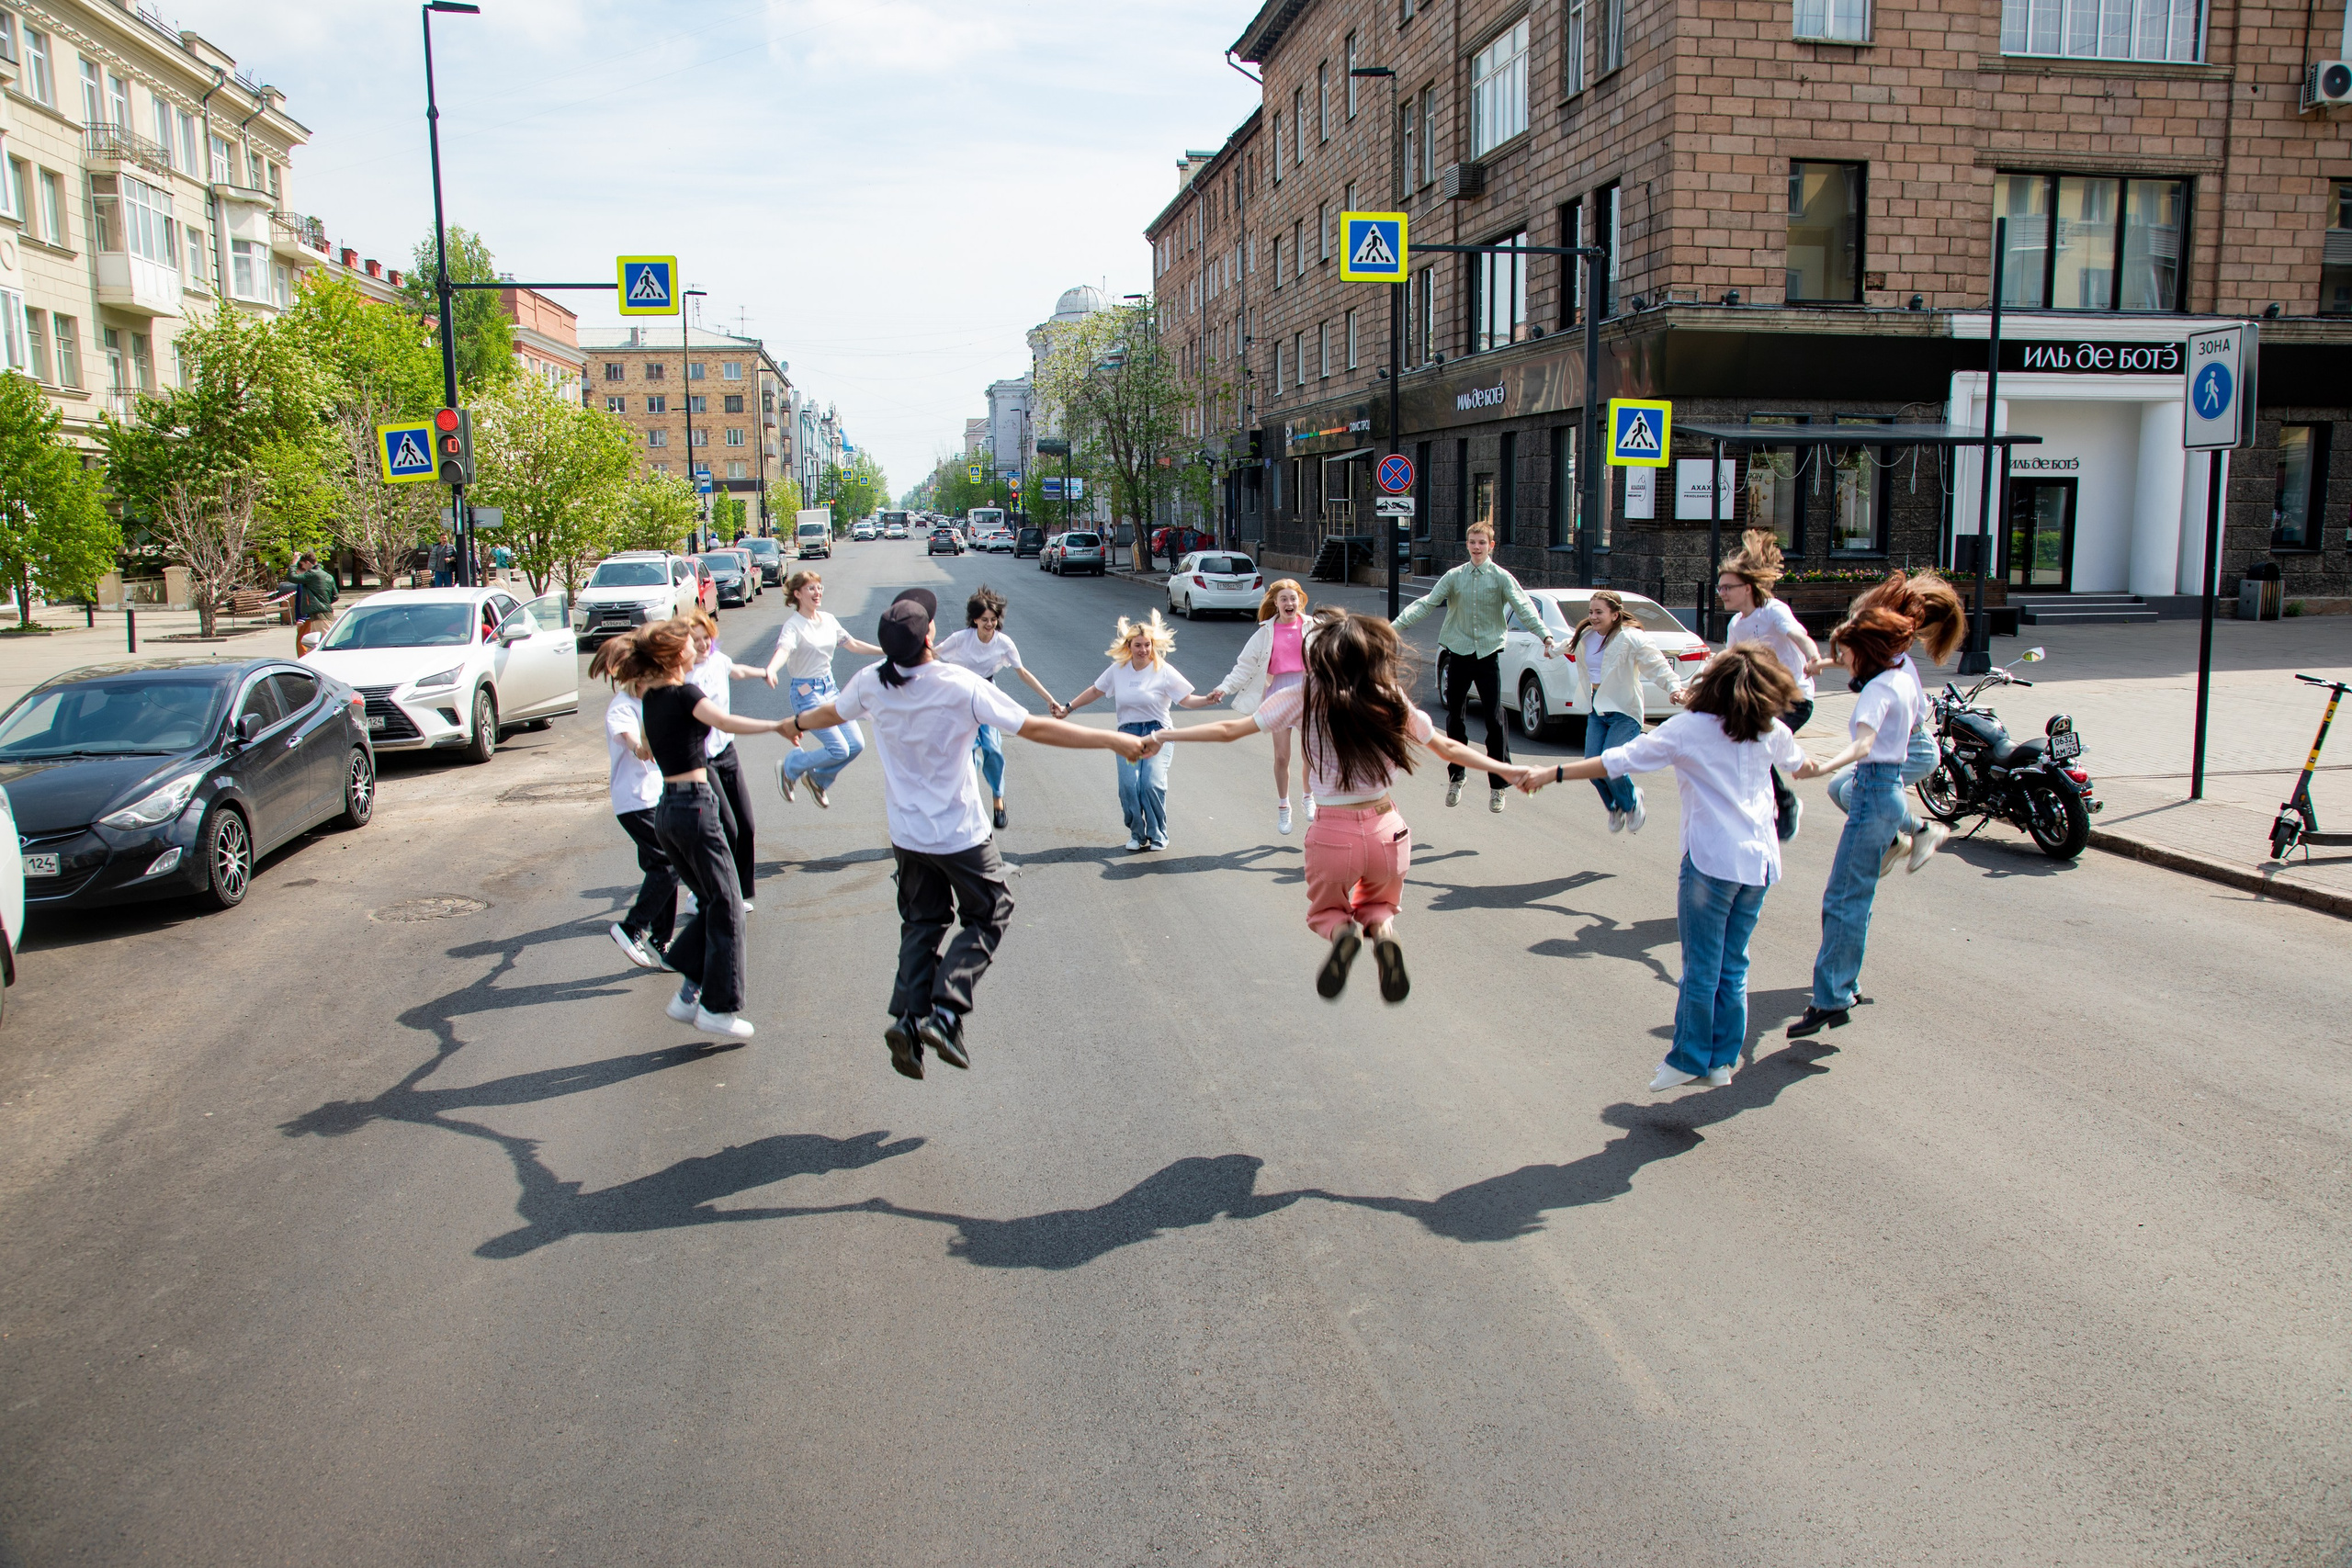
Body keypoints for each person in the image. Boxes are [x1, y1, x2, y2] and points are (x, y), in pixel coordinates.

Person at [780, 589, 1154, 1080]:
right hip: (959, 835)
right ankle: (947, 1011)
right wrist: (1114, 738)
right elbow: (1036, 729)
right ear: (930, 636)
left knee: (922, 923)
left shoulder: (871, 682)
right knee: (991, 910)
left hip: (906, 837)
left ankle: (907, 1019)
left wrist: (795, 722)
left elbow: (831, 712)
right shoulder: (959, 684)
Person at [1157, 609, 1533, 1001]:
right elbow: (1448, 746)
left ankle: (1342, 937)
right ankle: (1383, 935)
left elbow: (1228, 729)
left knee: (1327, 912)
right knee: (1379, 905)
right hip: (1389, 831)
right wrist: (1506, 769)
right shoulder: (1389, 697)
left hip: (1333, 832)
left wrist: (1166, 735)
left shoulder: (1301, 695)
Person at [1520, 646, 1828, 1090]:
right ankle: (1721, 1061)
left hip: (1711, 862)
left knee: (1702, 966)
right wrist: (1822, 763)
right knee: (1733, 965)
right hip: (1758, 865)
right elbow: (1802, 766)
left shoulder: (1689, 729)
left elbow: (1616, 761)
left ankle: (1688, 1058)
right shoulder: (1770, 729)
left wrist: (1553, 773)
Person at [1786, 571, 1966, 1040]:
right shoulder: (1901, 672)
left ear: (1866, 651)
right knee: (1856, 896)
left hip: (1873, 788)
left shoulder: (1878, 690)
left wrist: (1824, 766)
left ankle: (1830, 998)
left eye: (1844, 653)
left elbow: (1864, 744)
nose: (1839, 661)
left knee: (1843, 899)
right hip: (1885, 792)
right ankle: (1843, 986)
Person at [628, 620, 796, 1040]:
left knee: (711, 901)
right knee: (729, 904)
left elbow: (647, 749)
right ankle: (718, 1008)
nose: (699, 647)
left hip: (668, 810)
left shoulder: (651, 695)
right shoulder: (684, 692)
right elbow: (726, 722)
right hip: (694, 808)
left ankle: (689, 994)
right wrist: (777, 725)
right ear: (674, 655)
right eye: (690, 643)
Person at [1391, 520, 1555, 814]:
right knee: (1456, 716)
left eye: (1482, 543)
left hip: (1488, 655)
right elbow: (1427, 603)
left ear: (1491, 546)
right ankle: (1457, 776)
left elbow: (1524, 606)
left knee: (1494, 718)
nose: (1477, 547)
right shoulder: (1455, 576)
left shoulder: (1502, 577)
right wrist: (1394, 627)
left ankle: (1499, 785)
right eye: (1472, 543)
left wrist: (1545, 635)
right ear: (1467, 545)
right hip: (1459, 653)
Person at [1063, 610, 1218, 852]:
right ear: (1129, 646)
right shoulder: (1118, 670)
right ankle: (1137, 834)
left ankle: (1158, 834)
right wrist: (1069, 707)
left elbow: (1186, 699)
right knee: (1128, 786)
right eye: (1138, 645)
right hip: (1127, 733)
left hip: (1158, 733)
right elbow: (1095, 691)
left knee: (1151, 784)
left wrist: (1207, 700)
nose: (1143, 650)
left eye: (1147, 645)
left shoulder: (1163, 670)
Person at [1716, 529, 1823, 841]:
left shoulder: (1773, 610)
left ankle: (1786, 802)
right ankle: (1770, 804)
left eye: (1727, 587)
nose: (1721, 593)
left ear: (1747, 588)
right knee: (1744, 746)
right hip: (1762, 701)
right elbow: (1730, 660)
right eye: (1720, 587)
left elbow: (1799, 635)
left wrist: (1814, 656)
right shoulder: (1736, 624)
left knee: (1757, 744)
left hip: (1794, 699)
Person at [934, 585, 1067, 831]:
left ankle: (998, 799)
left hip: (986, 695)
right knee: (967, 755)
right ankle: (967, 807)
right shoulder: (960, 639)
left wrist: (1049, 699)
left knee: (993, 749)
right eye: (984, 620)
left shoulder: (1003, 643)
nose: (989, 625)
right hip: (960, 698)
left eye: (993, 620)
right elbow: (931, 655)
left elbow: (1023, 673)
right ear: (975, 619)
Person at [1566, 589, 1689, 835]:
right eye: (1591, 612)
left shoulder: (1632, 638)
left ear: (1614, 614)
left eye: (1599, 612)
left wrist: (1674, 688)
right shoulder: (1588, 635)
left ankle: (1632, 803)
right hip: (1598, 707)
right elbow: (1564, 645)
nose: (1593, 617)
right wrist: (1549, 647)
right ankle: (1615, 807)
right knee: (1592, 768)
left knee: (1613, 765)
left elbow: (1657, 665)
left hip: (1625, 710)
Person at [589, 630, 676, 972]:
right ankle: (631, 928)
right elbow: (634, 745)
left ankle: (660, 940)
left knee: (666, 866)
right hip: (635, 801)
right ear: (638, 677)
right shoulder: (622, 709)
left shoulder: (650, 701)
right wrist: (645, 743)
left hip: (657, 796)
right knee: (668, 864)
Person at [1209, 578, 1317, 835]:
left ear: (1300, 600)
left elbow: (1335, 656)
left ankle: (1308, 797)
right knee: (1282, 756)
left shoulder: (1314, 627)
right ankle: (1284, 807)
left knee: (1311, 753)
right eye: (1284, 599)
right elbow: (1244, 666)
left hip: (1308, 692)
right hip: (1279, 692)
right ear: (1276, 603)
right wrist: (1224, 687)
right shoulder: (1265, 632)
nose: (1289, 603)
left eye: (1293, 598)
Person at [767, 571, 883, 807]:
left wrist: (886, 651)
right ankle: (791, 766)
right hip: (806, 695)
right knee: (839, 749)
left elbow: (852, 644)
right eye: (811, 588)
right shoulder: (794, 626)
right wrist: (771, 669)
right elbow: (784, 650)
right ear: (797, 594)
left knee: (856, 745)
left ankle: (818, 779)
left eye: (819, 587)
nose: (817, 592)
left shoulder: (829, 620)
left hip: (830, 690)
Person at [684, 610, 766, 911]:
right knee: (726, 828)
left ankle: (740, 893)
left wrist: (764, 672)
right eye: (696, 640)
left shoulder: (719, 661)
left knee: (746, 826)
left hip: (726, 753)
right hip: (700, 760)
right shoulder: (681, 676)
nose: (703, 645)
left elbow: (738, 671)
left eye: (706, 638)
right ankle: (704, 891)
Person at [271, 552, 338, 656]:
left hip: (319, 615)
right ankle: (308, 664)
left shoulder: (312, 574)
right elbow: (335, 596)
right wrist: (324, 603)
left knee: (323, 642)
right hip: (326, 613)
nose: (302, 568)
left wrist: (294, 562)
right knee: (313, 644)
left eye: (302, 565)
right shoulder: (327, 576)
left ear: (307, 563)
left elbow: (292, 577)